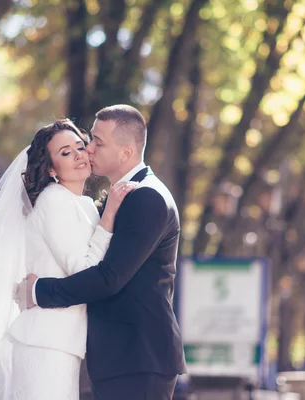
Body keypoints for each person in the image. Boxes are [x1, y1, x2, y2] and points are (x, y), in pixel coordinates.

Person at [0, 119, 134, 400]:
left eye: (80, 147)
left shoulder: (82, 204)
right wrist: (110, 217)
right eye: (65, 153)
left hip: (62, 343)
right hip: (43, 344)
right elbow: (83, 270)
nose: (79, 155)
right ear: (50, 169)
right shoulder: (52, 200)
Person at [16, 105, 186, 400]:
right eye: (90, 139)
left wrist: (38, 292)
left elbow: (109, 278)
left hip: (138, 358)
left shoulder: (146, 198)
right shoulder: (118, 198)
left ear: (126, 152)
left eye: (98, 142)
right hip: (121, 357)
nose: (89, 148)